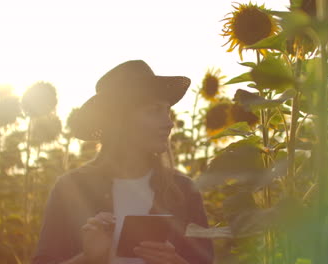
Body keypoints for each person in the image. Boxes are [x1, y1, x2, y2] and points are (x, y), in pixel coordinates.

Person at [32, 60, 214, 264]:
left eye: (167, 111)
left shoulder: (183, 191)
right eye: (154, 111)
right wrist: (88, 258)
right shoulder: (71, 189)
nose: (169, 123)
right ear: (120, 121)